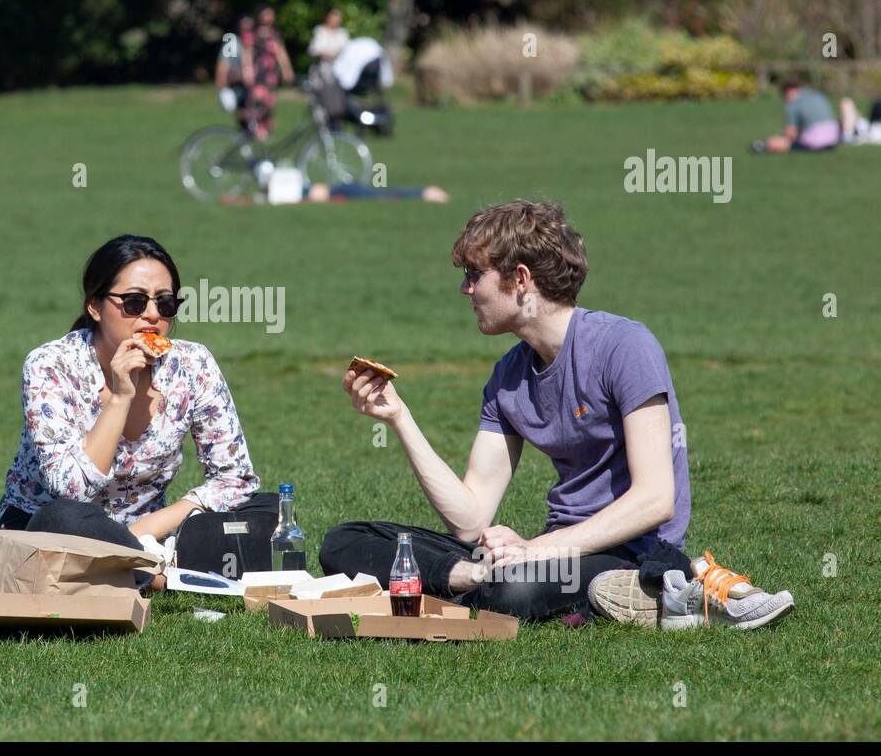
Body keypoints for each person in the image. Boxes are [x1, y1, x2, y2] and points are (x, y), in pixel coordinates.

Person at [322, 200, 794, 628]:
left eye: (473, 273)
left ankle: (657, 586)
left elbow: (656, 500)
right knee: (343, 541)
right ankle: (468, 581)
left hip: (625, 550)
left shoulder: (623, 346)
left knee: (512, 591)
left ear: (520, 280)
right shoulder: (508, 376)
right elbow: (470, 519)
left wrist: (532, 551)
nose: (465, 289)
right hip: (550, 551)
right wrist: (400, 418)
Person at [0, 235, 275, 590]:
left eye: (165, 303)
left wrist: (141, 531)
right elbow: (71, 491)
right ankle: (163, 575)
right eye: (134, 302)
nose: (153, 315)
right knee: (62, 518)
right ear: (95, 306)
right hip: (57, 527)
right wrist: (120, 397)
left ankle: (137, 567)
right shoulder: (50, 366)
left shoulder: (192, 364)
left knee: (267, 510)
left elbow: (236, 479)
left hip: (147, 531)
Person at [752, 79, 840, 153]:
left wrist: (780, 137)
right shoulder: (818, 95)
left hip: (815, 142)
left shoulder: (793, 104)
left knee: (783, 142)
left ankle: (762, 145)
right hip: (834, 138)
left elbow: (791, 134)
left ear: (787, 92)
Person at [245, 5, 293, 140]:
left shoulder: (275, 35)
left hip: (270, 74)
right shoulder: (253, 35)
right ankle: (254, 125)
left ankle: (266, 124)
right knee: (258, 97)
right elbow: (247, 54)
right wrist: (247, 70)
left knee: (269, 101)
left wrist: (287, 70)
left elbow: (281, 54)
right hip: (258, 73)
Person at [219, 181, 448, 206]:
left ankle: (424, 193)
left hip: (342, 191)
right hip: (341, 190)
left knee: (381, 197)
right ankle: (425, 192)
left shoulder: (287, 193)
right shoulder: (286, 187)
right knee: (382, 195)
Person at [214, 16, 255, 125]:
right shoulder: (232, 43)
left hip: (256, 87)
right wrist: (222, 87)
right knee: (245, 115)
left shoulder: (258, 42)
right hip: (238, 87)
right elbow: (222, 68)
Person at [307, 8, 350, 75]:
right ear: (328, 18)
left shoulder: (343, 33)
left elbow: (347, 51)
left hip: (338, 69)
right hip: (320, 68)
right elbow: (313, 49)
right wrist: (326, 55)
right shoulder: (319, 31)